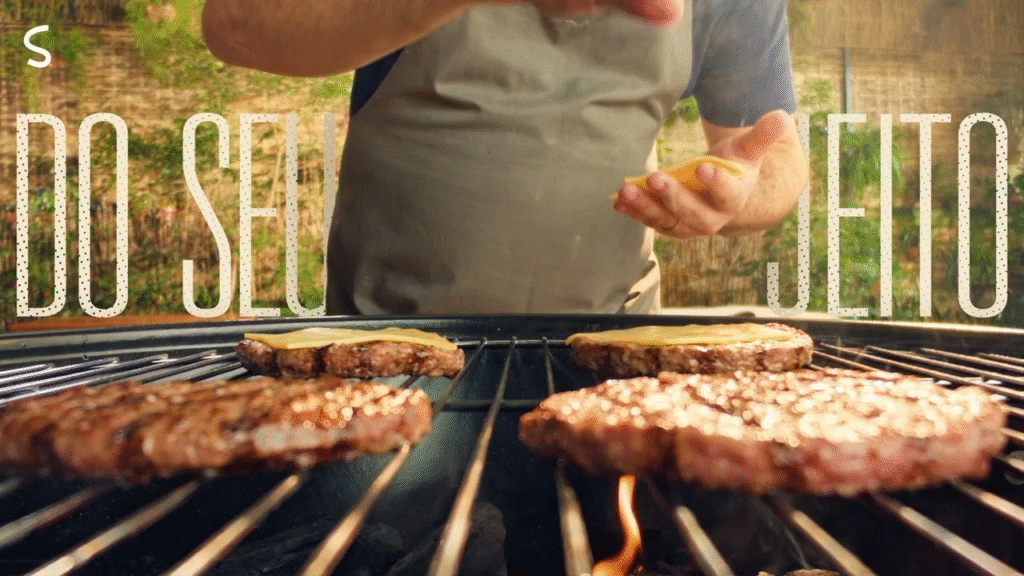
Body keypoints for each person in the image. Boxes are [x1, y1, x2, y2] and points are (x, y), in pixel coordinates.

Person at [201, 0, 809, 315]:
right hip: (389, 350)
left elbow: (775, 153)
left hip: (610, 357)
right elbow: (238, 24)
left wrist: (738, 191)